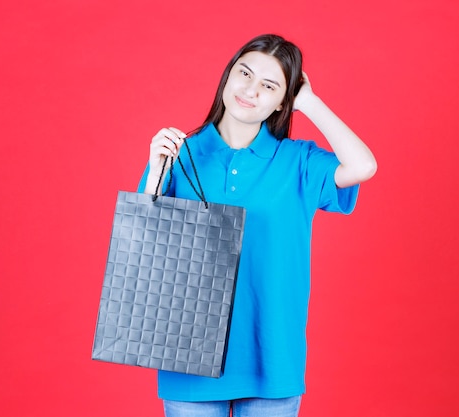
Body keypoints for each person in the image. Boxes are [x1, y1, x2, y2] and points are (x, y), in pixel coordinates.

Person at [138, 34, 377, 417]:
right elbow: (144, 246)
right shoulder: (180, 154)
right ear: (227, 76)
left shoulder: (298, 161)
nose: (250, 90)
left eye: (269, 86)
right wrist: (155, 172)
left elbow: (364, 167)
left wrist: (310, 103)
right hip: (187, 356)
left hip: (272, 358)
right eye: (244, 74)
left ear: (284, 100)